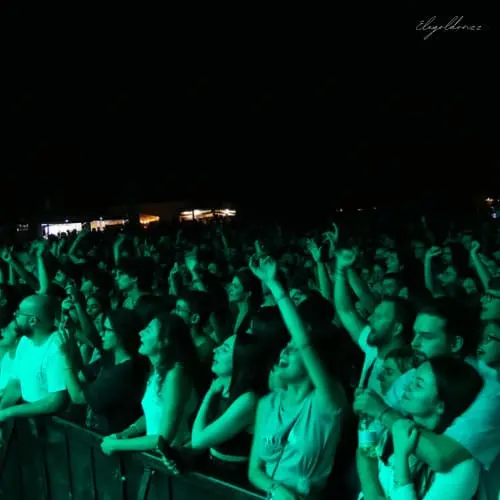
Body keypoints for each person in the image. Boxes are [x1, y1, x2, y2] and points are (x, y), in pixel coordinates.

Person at [248, 255, 347, 499]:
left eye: (293, 349)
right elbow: (255, 470)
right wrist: (277, 489)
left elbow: (304, 342)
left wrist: (275, 285)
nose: (285, 351)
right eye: (285, 346)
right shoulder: (268, 404)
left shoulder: (327, 402)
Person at [357, 355, 483, 499]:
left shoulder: (462, 468)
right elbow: (366, 451)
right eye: (413, 379)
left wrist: (401, 458)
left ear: (440, 406)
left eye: (418, 384)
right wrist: (365, 423)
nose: (406, 387)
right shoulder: (400, 424)